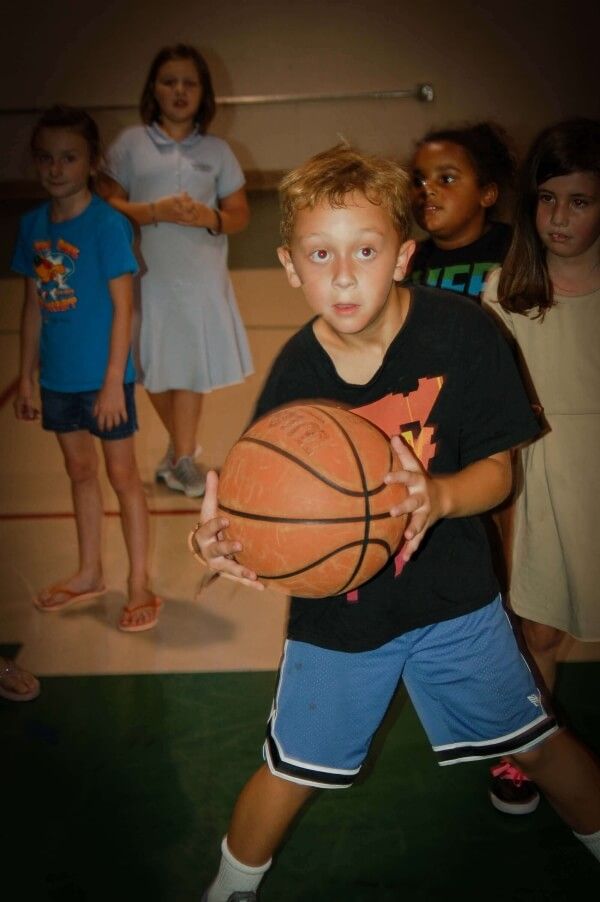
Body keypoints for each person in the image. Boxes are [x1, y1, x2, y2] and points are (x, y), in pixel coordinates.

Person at [190, 145, 600, 900]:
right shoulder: (296, 374)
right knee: (290, 770)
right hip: (341, 618)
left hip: (454, 599)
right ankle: (227, 888)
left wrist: (437, 498)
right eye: (321, 253)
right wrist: (220, 540)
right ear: (290, 266)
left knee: (538, 742)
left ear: (404, 253)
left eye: (366, 250)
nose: (343, 274)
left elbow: (498, 473)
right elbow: (259, 499)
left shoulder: (465, 333)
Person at [483, 118, 600, 816]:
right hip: (543, 480)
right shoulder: (508, 291)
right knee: (539, 628)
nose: (559, 218)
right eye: (547, 199)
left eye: (580, 201)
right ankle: (527, 744)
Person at [12, 105, 160, 633]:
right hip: (58, 380)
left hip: (106, 382)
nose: (56, 168)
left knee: (123, 477)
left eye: (69, 157)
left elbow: (125, 308)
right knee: (80, 474)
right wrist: (26, 375)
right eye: (46, 158)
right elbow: (32, 307)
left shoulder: (107, 225)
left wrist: (113, 384)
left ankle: (139, 581)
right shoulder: (31, 227)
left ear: (91, 161)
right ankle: (90, 571)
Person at [101, 43, 253, 498]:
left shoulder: (219, 150)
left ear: (203, 91)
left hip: (202, 277)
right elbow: (104, 205)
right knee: (151, 366)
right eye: (170, 81)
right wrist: (154, 210)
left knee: (188, 365)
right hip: (146, 276)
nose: (180, 91)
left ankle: (182, 459)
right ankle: (178, 453)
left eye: (190, 82)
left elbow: (240, 213)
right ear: (154, 89)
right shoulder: (129, 144)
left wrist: (211, 219)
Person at [408, 121, 515, 301]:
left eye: (446, 179)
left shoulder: (515, 249)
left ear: (487, 194)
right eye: (419, 181)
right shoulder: (411, 259)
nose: (427, 190)